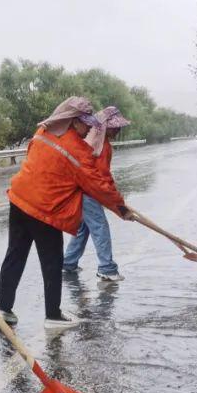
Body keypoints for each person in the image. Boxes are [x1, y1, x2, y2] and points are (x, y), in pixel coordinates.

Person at [0, 96, 133, 329]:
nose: (90, 127)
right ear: (72, 120)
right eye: (86, 123)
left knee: (15, 255)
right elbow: (97, 185)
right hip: (45, 209)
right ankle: (53, 316)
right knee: (52, 260)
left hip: (19, 200)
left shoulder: (42, 132)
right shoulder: (77, 151)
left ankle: (3, 309)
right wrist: (121, 209)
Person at [62, 106, 131, 282]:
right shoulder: (100, 146)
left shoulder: (99, 143)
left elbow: (104, 178)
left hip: (82, 190)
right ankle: (106, 268)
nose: (118, 130)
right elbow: (101, 180)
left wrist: (118, 203)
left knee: (83, 228)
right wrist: (120, 207)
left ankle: (68, 262)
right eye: (115, 127)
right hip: (87, 191)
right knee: (100, 226)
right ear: (106, 127)